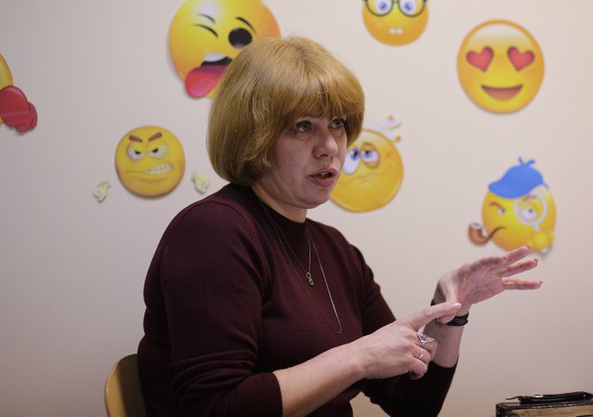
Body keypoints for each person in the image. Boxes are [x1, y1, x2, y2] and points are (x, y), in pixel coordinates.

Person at [137, 36, 543, 417]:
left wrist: (450, 312)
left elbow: (412, 404)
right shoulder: (212, 232)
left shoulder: (335, 249)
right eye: (303, 126)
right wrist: (358, 358)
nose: (330, 146)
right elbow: (213, 407)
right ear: (253, 137)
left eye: (337, 124)